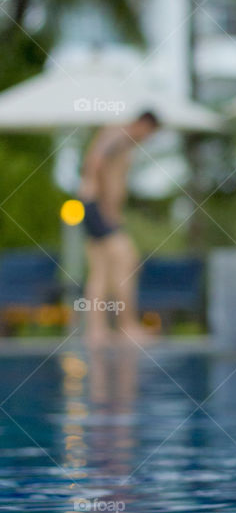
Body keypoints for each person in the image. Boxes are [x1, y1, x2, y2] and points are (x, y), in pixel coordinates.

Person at [77, 109, 160, 346]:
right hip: (96, 207)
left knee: (100, 269)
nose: (148, 138)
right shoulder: (118, 133)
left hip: (92, 206)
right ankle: (127, 326)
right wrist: (105, 207)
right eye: (150, 133)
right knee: (127, 260)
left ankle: (96, 331)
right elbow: (94, 162)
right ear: (144, 124)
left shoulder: (121, 139)